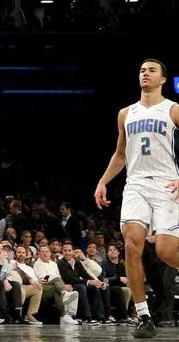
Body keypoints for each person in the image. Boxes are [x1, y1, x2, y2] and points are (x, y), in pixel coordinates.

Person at [94, 58, 179, 338]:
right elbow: (120, 154)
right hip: (136, 184)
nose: (146, 73)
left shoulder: (174, 110)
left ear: (163, 79)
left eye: (152, 70)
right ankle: (144, 316)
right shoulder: (125, 113)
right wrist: (104, 181)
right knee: (131, 244)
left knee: (166, 251)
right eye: (142, 70)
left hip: (167, 184)